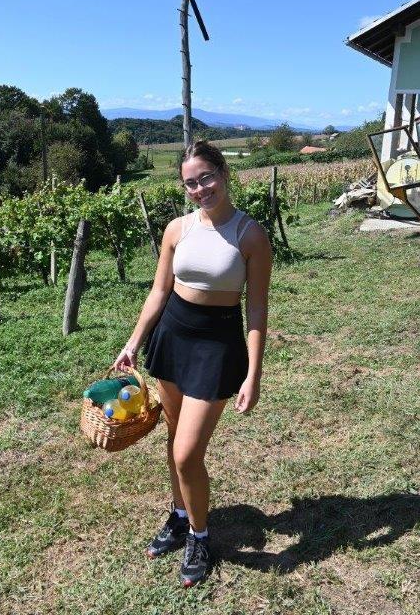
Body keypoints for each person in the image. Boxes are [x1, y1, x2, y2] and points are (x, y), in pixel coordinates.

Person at [113, 140, 272, 587]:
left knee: (187, 453)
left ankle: (200, 537)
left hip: (217, 346)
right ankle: (181, 515)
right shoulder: (176, 229)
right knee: (173, 440)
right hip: (173, 336)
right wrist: (133, 342)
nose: (200, 189)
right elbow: (159, 291)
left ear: (223, 173)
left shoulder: (250, 235)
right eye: (190, 183)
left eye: (206, 177)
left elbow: (256, 309)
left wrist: (253, 373)